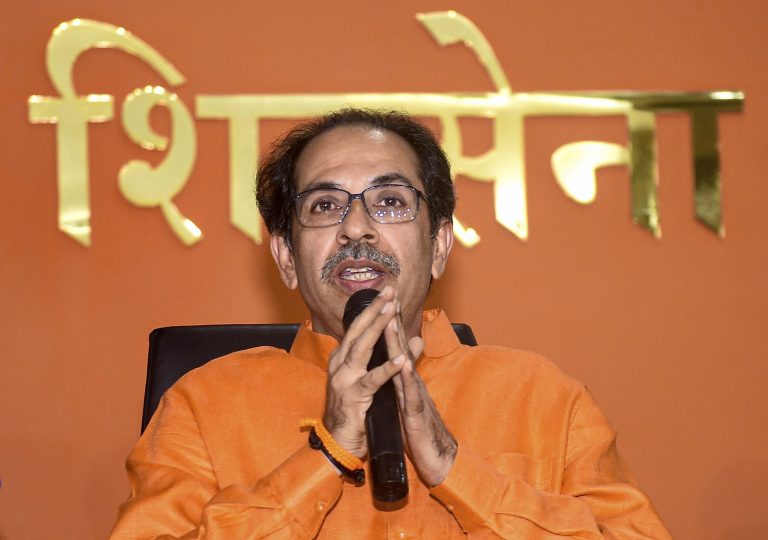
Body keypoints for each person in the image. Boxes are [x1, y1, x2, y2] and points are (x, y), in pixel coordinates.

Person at [110, 109, 671, 539]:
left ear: (439, 246)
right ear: (285, 256)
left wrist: (455, 469)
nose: (356, 227)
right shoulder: (204, 405)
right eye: (325, 205)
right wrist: (325, 454)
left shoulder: (544, 397)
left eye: (390, 201)